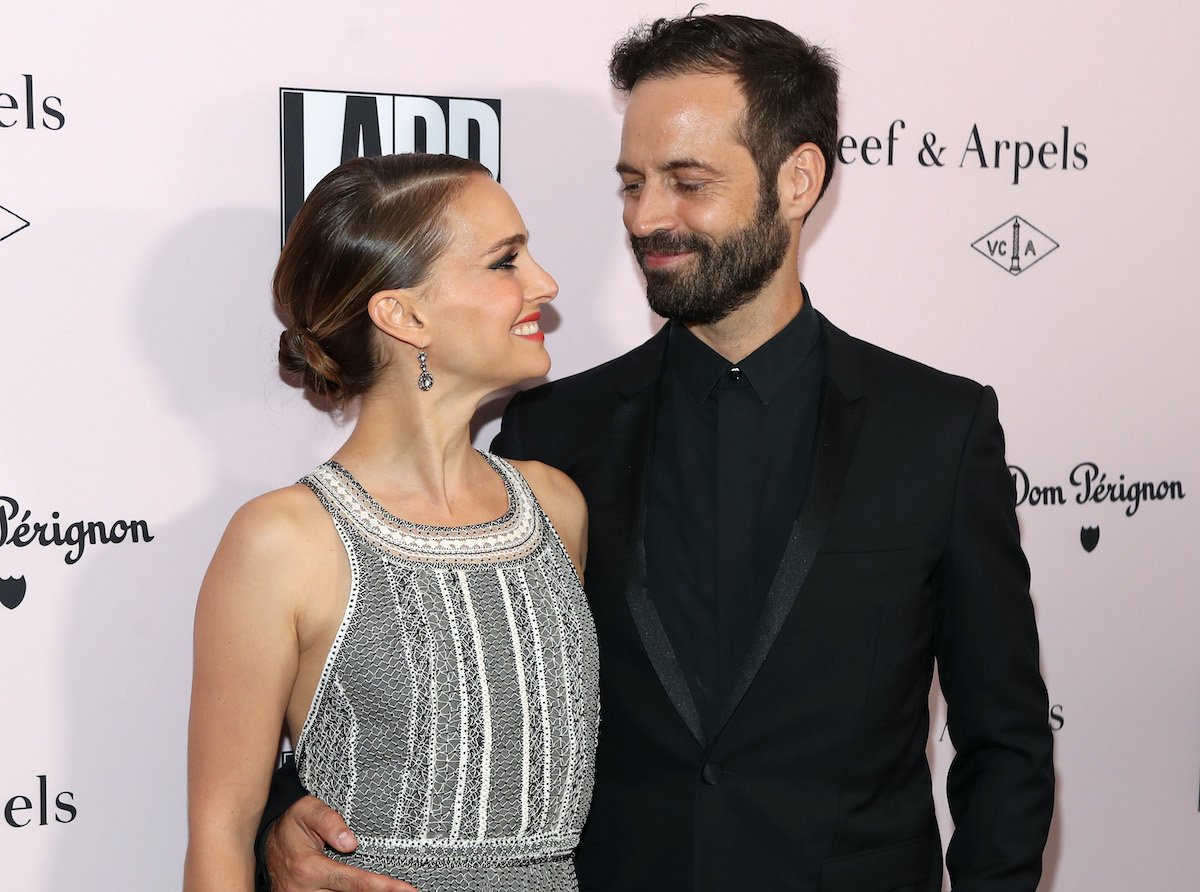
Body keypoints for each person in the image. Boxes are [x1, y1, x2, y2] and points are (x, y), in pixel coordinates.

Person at [259, 14, 1055, 892]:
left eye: (687, 182)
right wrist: (282, 821)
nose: (647, 218)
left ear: (797, 180)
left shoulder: (936, 430)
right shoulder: (550, 434)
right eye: (632, 183)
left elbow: (1005, 741)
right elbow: (426, 690)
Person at [184, 153, 599, 891]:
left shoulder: (554, 507)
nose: (545, 284)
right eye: (505, 262)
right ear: (403, 314)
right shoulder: (284, 540)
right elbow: (220, 838)